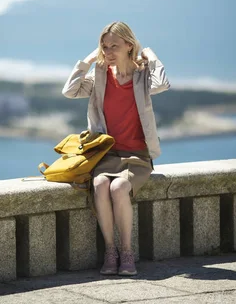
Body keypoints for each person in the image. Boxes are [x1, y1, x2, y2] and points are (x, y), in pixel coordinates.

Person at [62, 21, 170, 276]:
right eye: (104, 46)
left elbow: (162, 84)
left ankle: (127, 252)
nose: (108, 51)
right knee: (100, 185)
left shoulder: (143, 76)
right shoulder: (100, 75)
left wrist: (151, 55)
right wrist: (86, 62)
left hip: (138, 156)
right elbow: (69, 91)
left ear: (129, 46)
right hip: (108, 154)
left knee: (119, 187)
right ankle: (111, 251)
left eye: (114, 46)